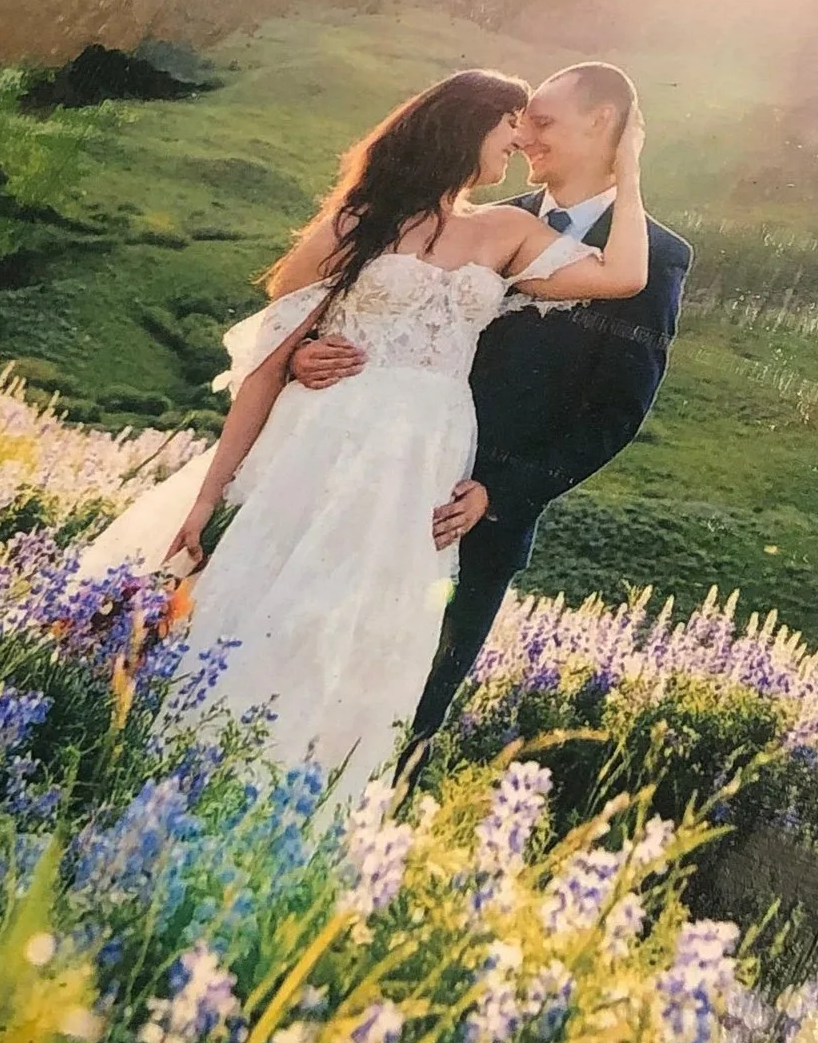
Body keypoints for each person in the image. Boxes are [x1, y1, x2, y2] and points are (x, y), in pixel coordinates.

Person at [82, 68, 650, 803]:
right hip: (322, 443)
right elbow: (265, 361)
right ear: (463, 124)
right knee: (263, 605)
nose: (519, 138)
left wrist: (629, 165)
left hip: (419, 462)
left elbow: (626, 274)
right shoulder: (360, 222)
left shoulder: (505, 231)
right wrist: (211, 487)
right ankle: (174, 783)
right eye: (509, 122)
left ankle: (304, 804)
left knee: (362, 632)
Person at [287, 62, 691, 751]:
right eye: (522, 121)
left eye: (543, 121)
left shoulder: (655, 255)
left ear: (602, 124)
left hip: (475, 520)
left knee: (404, 717)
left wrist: (499, 493)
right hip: (369, 482)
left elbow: (616, 413)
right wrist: (305, 352)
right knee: (300, 664)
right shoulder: (482, 221)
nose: (523, 135)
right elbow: (375, 306)